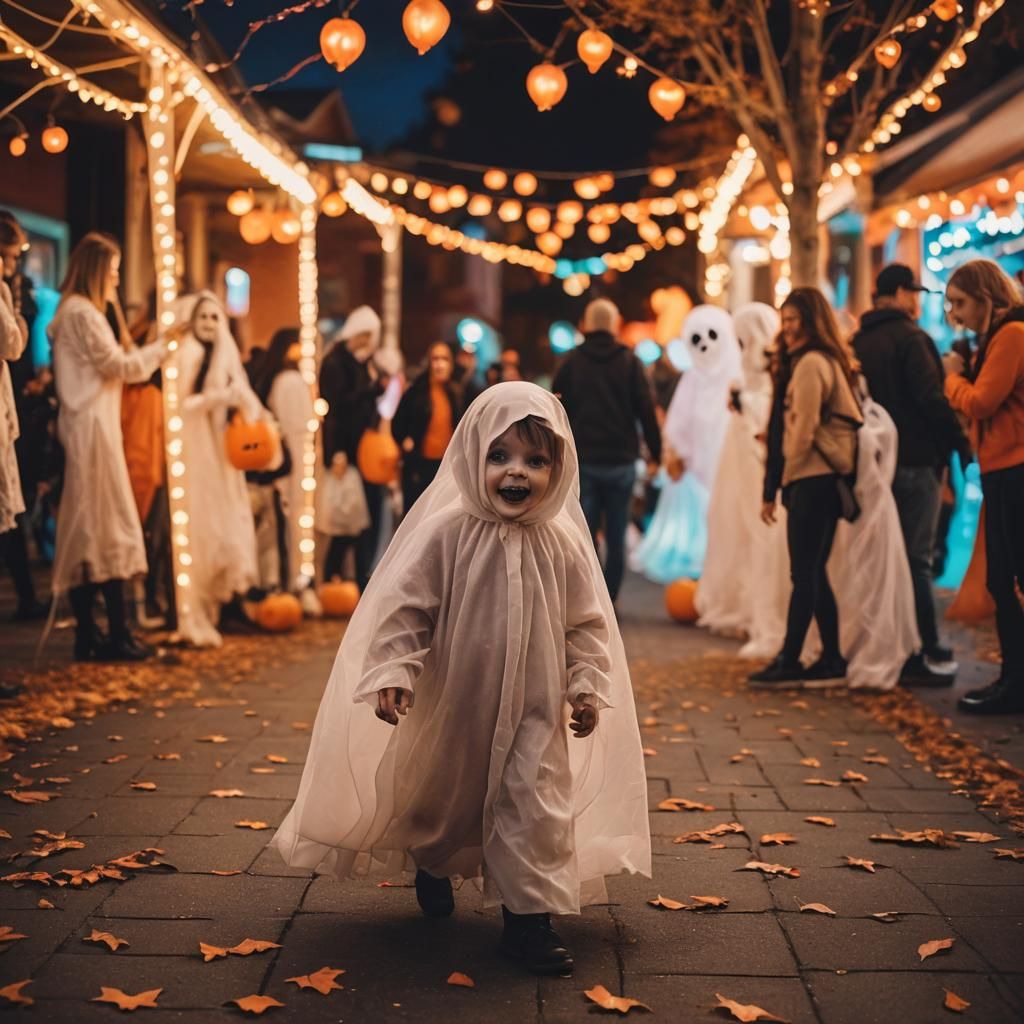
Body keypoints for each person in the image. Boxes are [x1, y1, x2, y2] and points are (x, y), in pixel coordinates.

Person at [270, 382, 650, 975]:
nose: (515, 473)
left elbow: (586, 623)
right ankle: (433, 861)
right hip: (456, 705)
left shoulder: (563, 544)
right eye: (499, 457)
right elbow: (406, 607)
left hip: (535, 708)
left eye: (534, 460)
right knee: (443, 799)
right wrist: (396, 666)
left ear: (559, 467)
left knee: (535, 798)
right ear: (472, 457)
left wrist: (585, 682)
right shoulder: (447, 532)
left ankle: (530, 921)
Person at [47, 232, 167, 661]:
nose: (116, 281)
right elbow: (118, 366)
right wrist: (163, 347)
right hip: (92, 430)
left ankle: (98, 632)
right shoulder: (82, 314)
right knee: (102, 525)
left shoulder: (80, 314)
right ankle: (110, 632)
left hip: (92, 427)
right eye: (113, 272)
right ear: (98, 271)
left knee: (96, 526)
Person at [852, 264, 969, 683]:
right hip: (917, 461)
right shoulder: (912, 339)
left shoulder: (859, 342)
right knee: (917, 559)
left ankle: (887, 638)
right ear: (900, 293)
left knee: (884, 557)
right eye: (913, 293)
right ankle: (923, 645)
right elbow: (932, 401)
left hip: (874, 464)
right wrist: (959, 447)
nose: (917, 302)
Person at [751, 287, 864, 686]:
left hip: (813, 478)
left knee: (805, 573)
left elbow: (803, 428)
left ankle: (790, 659)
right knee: (813, 572)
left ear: (812, 321)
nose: (788, 327)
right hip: (814, 478)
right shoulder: (803, 360)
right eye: (785, 320)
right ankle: (830, 657)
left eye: (795, 320)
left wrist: (783, 478)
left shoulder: (813, 362)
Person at [943, 259, 1024, 714]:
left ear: (986, 300)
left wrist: (952, 379)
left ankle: (1015, 682)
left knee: (1010, 577)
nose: (955, 313)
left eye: (961, 302)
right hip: (1002, 469)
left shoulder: (1011, 336)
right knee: (1001, 579)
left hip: (1015, 469)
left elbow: (983, 401)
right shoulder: (996, 338)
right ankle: (1012, 677)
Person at [552, 298, 661, 604]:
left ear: (586, 325)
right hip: (621, 460)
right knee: (616, 531)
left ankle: (587, 595)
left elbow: (556, 407)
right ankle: (609, 597)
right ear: (614, 325)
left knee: (583, 532)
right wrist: (656, 453)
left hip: (584, 459)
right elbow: (645, 410)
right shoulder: (629, 361)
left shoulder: (572, 362)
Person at [172, 291, 263, 646]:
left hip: (223, 452)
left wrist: (240, 402)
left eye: (215, 317)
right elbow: (181, 405)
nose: (209, 324)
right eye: (203, 317)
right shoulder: (188, 354)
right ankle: (195, 606)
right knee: (201, 524)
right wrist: (217, 398)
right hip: (197, 450)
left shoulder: (224, 357)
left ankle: (218, 605)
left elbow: (249, 400)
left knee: (224, 522)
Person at [633, 304, 741, 583]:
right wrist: (675, 452)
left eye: (712, 336)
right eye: (696, 338)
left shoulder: (738, 376)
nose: (705, 344)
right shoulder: (691, 379)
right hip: (694, 467)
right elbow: (678, 421)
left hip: (730, 464)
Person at [697, 303, 780, 638]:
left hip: (757, 454)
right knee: (734, 524)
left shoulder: (775, 364)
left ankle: (758, 604)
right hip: (738, 455)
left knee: (759, 530)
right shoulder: (744, 366)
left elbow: (770, 406)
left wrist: (745, 401)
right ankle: (738, 601)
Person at [320, 306, 386, 591]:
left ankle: (359, 577)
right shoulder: (335, 363)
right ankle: (334, 578)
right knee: (348, 521)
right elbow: (336, 409)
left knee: (362, 520)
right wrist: (336, 452)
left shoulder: (361, 364)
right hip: (347, 452)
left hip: (364, 451)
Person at [0, 216, 46, 621]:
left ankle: (27, 593)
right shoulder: (5, 288)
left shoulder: (19, 288)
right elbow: (14, 344)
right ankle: (26, 595)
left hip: (16, 399)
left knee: (13, 509)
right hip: (9, 400)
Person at [252, 327, 315, 599]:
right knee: (285, 523)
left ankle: (291, 581)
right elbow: (293, 425)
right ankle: (284, 582)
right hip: (290, 461)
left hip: (294, 459)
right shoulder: (287, 381)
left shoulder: (288, 380)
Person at [393, 342, 464, 514]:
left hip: (444, 466)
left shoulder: (454, 392)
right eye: (436, 359)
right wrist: (405, 442)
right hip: (418, 464)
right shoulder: (416, 391)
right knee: (415, 513)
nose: (440, 364)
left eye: (445, 359)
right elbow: (397, 424)